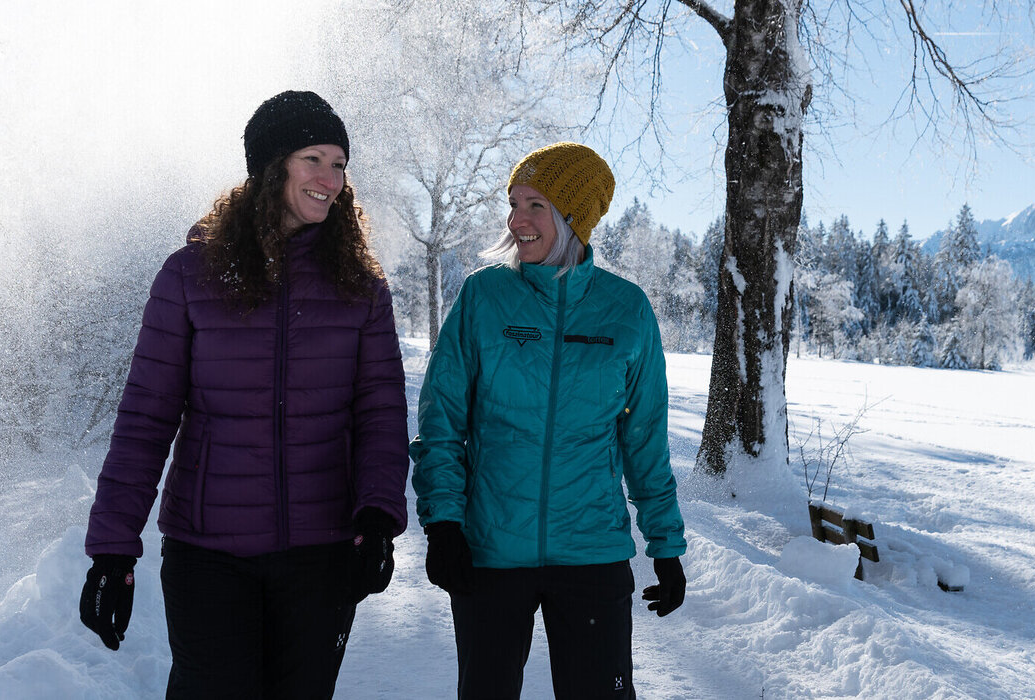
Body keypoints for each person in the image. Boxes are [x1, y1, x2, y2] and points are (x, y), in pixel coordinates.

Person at [79, 90, 409, 698]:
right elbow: (146, 417)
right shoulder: (191, 274)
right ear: (272, 164)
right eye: (314, 158)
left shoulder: (360, 285)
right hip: (209, 555)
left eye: (339, 164)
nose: (330, 179)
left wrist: (379, 516)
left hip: (323, 551)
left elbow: (381, 413)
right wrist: (112, 550)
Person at [411, 142, 688, 699]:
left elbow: (644, 439)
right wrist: (443, 522)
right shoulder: (484, 297)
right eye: (513, 204)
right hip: (489, 551)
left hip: (592, 552)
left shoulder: (626, 309)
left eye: (534, 205)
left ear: (573, 216)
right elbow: (442, 418)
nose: (517, 220)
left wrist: (666, 544)